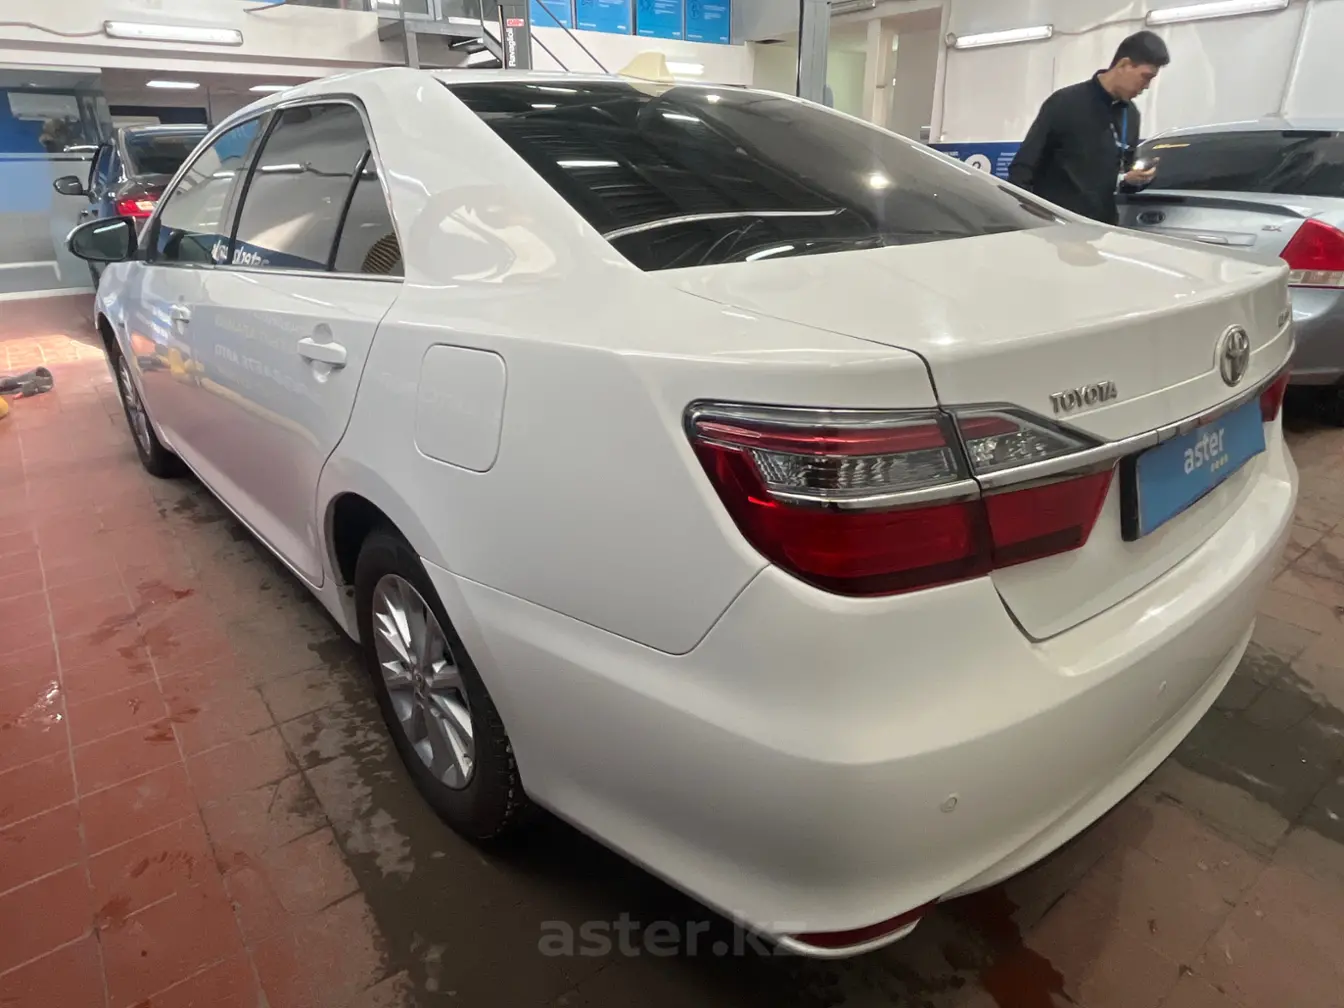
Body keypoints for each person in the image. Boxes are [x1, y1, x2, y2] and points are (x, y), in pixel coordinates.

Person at [1007, 30, 1170, 224]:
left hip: (1101, 228)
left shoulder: (1131, 115)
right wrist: (1029, 221)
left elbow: (1119, 179)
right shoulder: (1064, 103)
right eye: (1146, 77)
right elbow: (1022, 169)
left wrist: (1135, 181)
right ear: (1124, 65)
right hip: (1056, 228)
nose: (1147, 86)